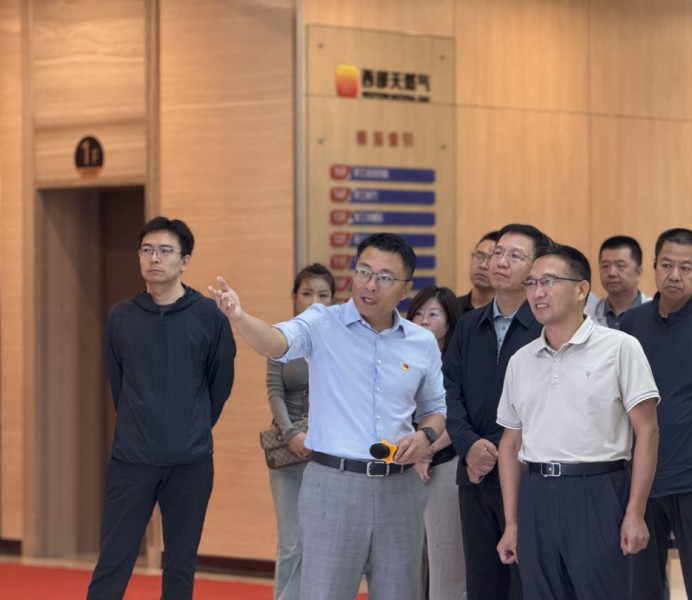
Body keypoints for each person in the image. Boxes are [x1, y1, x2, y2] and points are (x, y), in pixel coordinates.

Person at [209, 232, 446, 600]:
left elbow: (435, 410)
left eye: (384, 277)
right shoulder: (322, 322)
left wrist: (425, 436)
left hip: (400, 488)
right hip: (334, 484)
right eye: (364, 271)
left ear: (405, 287)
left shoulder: (421, 342)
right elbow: (275, 342)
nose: (370, 284)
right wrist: (238, 316)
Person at [496, 243, 660, 600]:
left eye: (549, 281)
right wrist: (512, 523)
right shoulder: (520, 360)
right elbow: (510, 443)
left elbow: (647, 431)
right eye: (531, 283)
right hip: (536, 494)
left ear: (582, 289)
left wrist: (635, 513)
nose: (537, 292)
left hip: (598, 491)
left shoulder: (620, 347)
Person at [87, 217, 236, 600]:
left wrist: (192, 425)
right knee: (113, 561)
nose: (154, 258)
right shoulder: (121, 317)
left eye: (165, 251)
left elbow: (219, 385)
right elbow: (118, 384)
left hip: (191, 462)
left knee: (180, 567)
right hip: (131, 459)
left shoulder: (209, 316)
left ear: (184, 261)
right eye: (147, 250)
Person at [444, 223, 550, 599]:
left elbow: (545, 404)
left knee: (526, 583)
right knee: (482, 583)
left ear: (537, 268)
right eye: (497, 253)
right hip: (473, 476)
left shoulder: (546, 327)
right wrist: (468, 445)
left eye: (515, 256)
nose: (500, 262)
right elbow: (448, 391)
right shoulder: (468, 324)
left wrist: (492, 447)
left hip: (527, 477)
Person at [622, 228, 692, 600]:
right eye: (666, 265)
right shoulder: (630, 326)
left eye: (686, 267)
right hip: (640, 478)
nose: (675, 275)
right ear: (654, 267)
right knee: (640, 584)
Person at [266, 263, 335, 600]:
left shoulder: (340, 340)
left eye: (323, 295)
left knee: (327, 540)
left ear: (334, 301)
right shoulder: (280, 336)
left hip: (329, 450)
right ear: (294, 297)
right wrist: (292, 433)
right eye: (307, 293)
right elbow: (274, 391)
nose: (314, 301)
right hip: (288, 449)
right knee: (292, 541)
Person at [407, 286, 466, 600]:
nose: (423, 320)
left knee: (445, 559)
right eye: (418, 313)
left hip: (445, 464)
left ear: (449, 321)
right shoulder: (402, 357)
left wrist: (426, 451)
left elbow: (458, 417)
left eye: (433, 314)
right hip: (405, 467)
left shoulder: (456, 361)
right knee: (408, 560)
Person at [592, 235, 651, 328]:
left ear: (638, 272)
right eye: (605, 266)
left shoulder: (657, 312)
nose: (611, 273)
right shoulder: (587, 314)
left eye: (620, 265)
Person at [458, 231, 499, 314]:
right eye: (479, 256)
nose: (483, 265)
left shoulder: (507, 314)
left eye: (491, 259)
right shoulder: (452, 308)